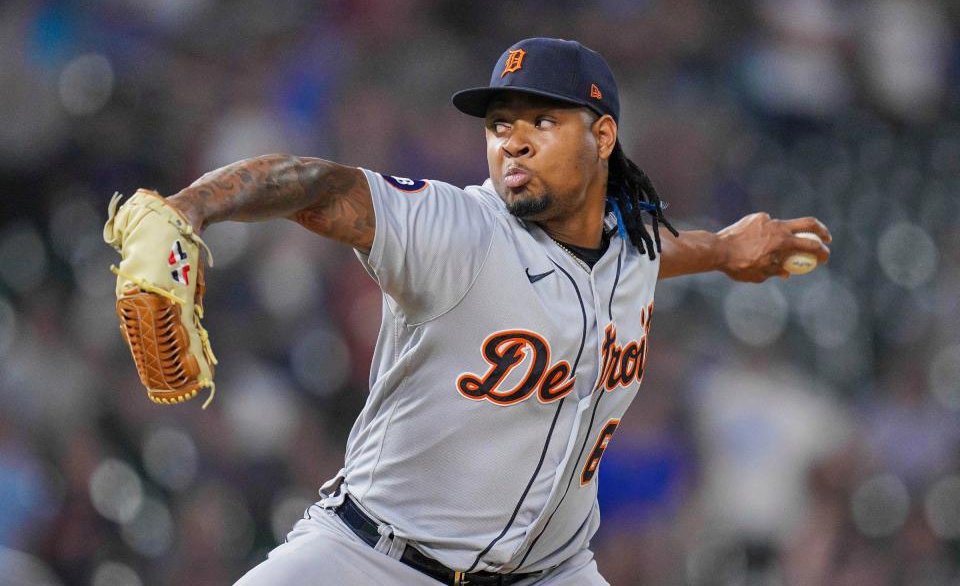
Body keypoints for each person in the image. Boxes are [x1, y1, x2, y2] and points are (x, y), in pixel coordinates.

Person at [164, 38, 831, 585]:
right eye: (500, 123)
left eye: (540, 121)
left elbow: (654, 250)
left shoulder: (634, 245)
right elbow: (319, 185)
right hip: (373, 560)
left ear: (602, 137)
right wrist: (191, 207)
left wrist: (725, 248)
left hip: (552, 574)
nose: (511, 142)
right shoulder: (455, 227)